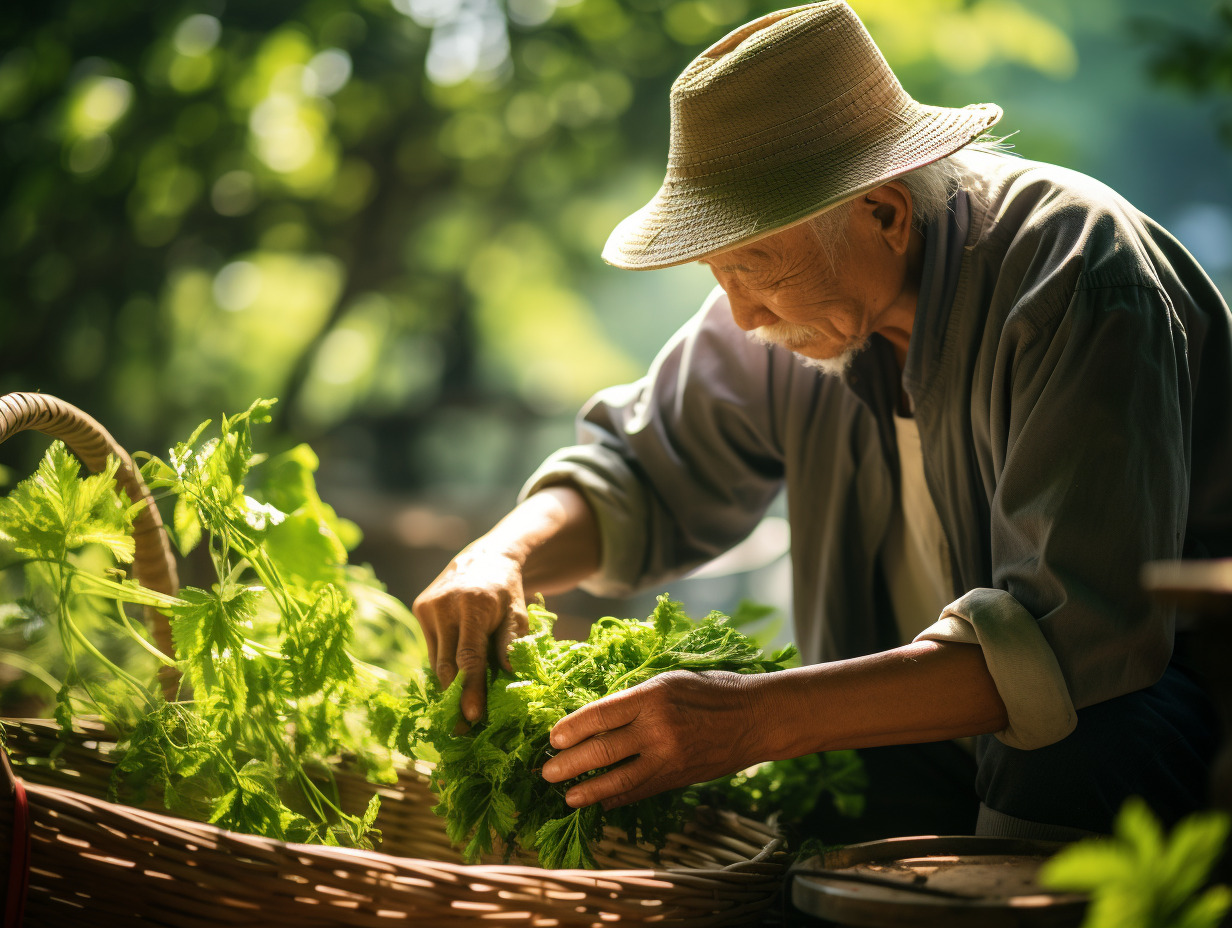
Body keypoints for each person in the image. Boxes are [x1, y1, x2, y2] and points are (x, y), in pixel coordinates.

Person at [414, 1, 1230, 840]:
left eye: (754, 267)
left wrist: (756, 717)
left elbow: (1073, 640)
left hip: (1145, 718)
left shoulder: (1075, 280)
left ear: (882, 212)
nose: (739, 315)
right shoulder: (801, 313)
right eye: (717, 273)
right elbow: (645, 472)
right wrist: (501, 555)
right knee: (821, 822)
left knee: (1076, 744)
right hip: (921, 733)